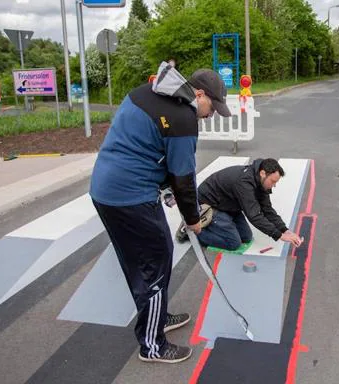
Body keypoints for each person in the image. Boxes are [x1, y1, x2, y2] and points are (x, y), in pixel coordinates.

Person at [89, 61, 231, 364]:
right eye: (212, 107)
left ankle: (157, 317)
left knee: (140, 262)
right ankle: (152, 344)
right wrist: (193, 220)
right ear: (200, 93)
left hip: (105, 191)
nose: (210, 115)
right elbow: (183, 179)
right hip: (131, 198)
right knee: (155, 265)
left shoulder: (144, 92)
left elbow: (142, 145)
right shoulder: (183, 118)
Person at [178, 158, 304, 250]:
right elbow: (254, 216)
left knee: (247, 237)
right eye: (273, 181)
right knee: (233, 243)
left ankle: (214, 224)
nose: (274, 185)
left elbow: (267, 209)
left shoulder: (261, 183)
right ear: (263, 173)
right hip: (210, 204)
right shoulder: (244, 183)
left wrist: (285, 230)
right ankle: (192, 230)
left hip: (228, 203)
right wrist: (279, 235)